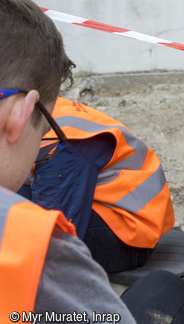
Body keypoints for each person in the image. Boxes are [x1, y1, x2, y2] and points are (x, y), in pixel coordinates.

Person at [0, 0, 184, 322]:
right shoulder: (54, 130)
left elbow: (59, 210)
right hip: (111, 210)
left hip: (128, 231)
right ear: (24, 111)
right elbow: (45, 232)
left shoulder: (66, 143)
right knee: (164, 291)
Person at [20, 96, 175, 272]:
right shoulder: (39, 110)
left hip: (127, 237)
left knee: (15, 220)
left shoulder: (59, 144)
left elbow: (54, 236)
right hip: (102, 206)